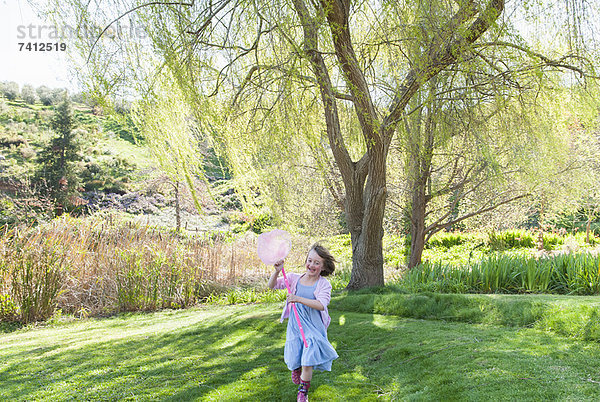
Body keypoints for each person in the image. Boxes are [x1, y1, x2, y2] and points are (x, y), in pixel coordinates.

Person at [268, 244, 339, 402]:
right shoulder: (293, 278)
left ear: (323, 266)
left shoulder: (323, 284)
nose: (311, 265)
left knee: (308, 361)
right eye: (309, 260)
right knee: (295, 359)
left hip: (313, 327)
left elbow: (321, 304)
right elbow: (271, 286)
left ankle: (302, 394)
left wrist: (298, 299)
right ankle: (296, 368)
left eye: (317, 263)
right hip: (295, 326)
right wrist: (277, 271)